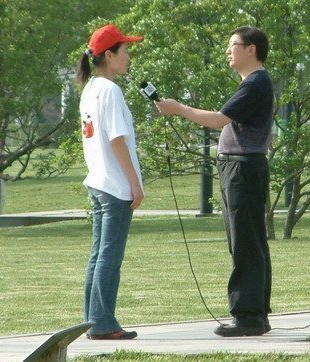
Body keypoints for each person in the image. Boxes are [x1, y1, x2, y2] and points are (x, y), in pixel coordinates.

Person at [156, 26, 273, 337]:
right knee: (251, 240)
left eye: (233, 44)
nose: (228, 51)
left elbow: (218, 119)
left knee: (244, 242)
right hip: (244, 168)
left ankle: (247, 316)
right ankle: (257, 313)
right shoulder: (254, 83)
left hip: (243, 169)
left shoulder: (255, 83)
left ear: (252, 49)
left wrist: (178, 109)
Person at [76, 24, 144, 339]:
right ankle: (103, 325)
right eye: (125, 50)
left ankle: (92, 321)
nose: (128, 56)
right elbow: (117, 140)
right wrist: (135, 183)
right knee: (109, 257)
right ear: (108, 55)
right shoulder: (110, 90)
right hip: (115, 185)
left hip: (97, 182)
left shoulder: (90, 89)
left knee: (98, 254)